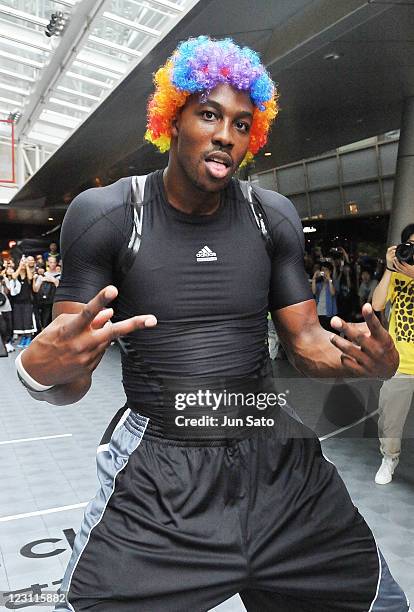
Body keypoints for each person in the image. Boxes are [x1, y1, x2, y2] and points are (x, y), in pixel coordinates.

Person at [16, 37, 408, 612]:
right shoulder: (106, 216)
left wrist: (369, 364)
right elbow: (69, 376)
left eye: (243, 124)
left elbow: (305, 344)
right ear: (173, 120)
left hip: (279, 465)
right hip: (160, 475)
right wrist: (36, 373)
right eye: (209, 114)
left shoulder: (270, 216)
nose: (227, 133)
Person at [372, 224, 414, 485]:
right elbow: (377, 304)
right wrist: (389, 269)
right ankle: (390, 457)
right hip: (402, 361)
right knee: (388, 418)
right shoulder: (397, 275)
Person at [311, 260, 338, 330]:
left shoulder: (333, 282)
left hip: (329, 313)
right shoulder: (319, 284)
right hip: (318, 312)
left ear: (330, 272)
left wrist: (329, 279)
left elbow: (333, 293)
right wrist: (314, 278)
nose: (324, 272)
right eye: (322, 270)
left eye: (326, 270)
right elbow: (313, 292)